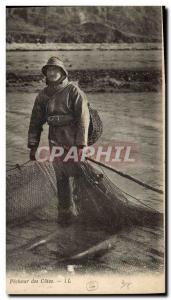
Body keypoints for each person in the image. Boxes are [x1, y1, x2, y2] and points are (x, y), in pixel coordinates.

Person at [28, 56, 90, 225]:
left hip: (73, 137)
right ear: (45, 74)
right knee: (61, 175)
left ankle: (84, 211)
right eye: (49, 70)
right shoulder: (42, 95)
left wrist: (81, 146)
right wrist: (33, 145)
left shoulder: (74, 91)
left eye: (55, 70)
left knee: (79, 175)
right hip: (54, 138)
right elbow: (35, 122)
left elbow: (84, 119)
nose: (52, 72)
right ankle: (65, 212)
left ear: (63, 72)